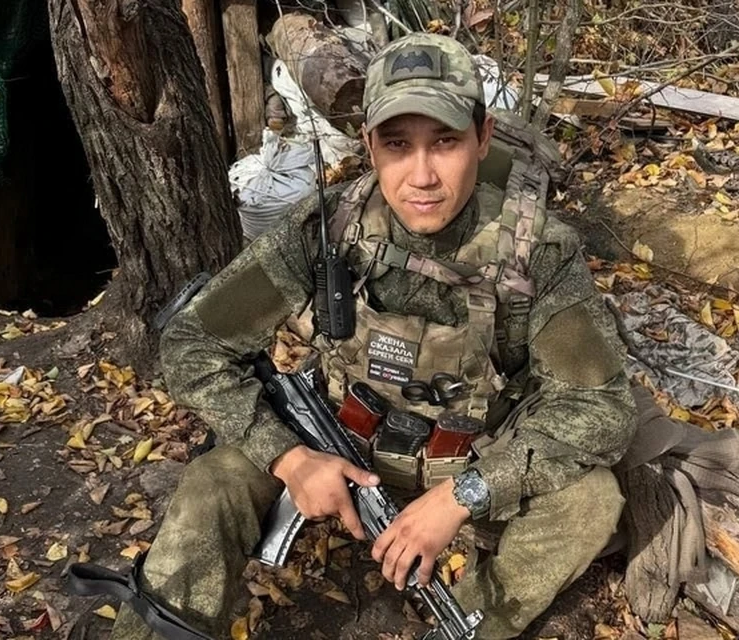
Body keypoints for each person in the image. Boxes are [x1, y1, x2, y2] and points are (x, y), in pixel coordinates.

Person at [105, 31, 637, 640]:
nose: (422, 176)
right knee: (211, 484)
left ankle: (470, 625)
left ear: (483, 137)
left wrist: (464, 496)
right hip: (335, 448)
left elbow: (604, 407)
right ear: (369, 145)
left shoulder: (538, 252)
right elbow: (192, 342)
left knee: (591, 502)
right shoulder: (327, 229)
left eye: (445, 142)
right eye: (397, 144)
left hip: (474, 461)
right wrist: (289, 457)